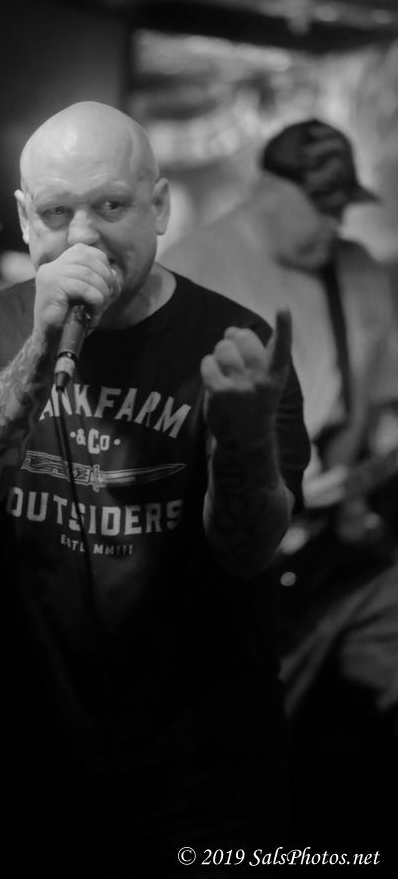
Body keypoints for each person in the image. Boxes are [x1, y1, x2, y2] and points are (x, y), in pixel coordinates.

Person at [0, 101, 310, 877]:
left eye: (112, 206)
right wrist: (38, 355)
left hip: (203, 769)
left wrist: (245, 442)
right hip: (26, 754)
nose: (84, 236)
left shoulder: (235, 345)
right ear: (25, 220)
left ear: (159, 207)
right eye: (58, 212)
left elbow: (247, 550)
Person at [163, 118, 398, 858]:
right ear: (267, 193)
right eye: (321, 207)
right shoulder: (194, 269)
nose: (335, 224)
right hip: (239, 564)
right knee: (228, 768)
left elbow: (382, 401)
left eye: (343, 207)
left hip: (344, 554)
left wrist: (368, 464)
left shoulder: (360, 270)